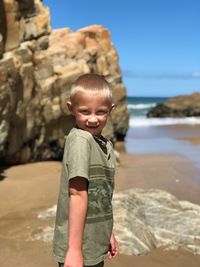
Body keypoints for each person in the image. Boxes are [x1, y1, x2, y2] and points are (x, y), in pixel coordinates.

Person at [53, 73, 119, 267]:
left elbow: (100, 197)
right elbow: (77, 194)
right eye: (84, 111)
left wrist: (107, 232)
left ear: (111, 110)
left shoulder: (102, 143)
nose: (92, 119)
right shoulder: (82, 141)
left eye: (100, 112)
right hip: (79, 247)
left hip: (93, 241)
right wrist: (73, 250)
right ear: (71, 109)